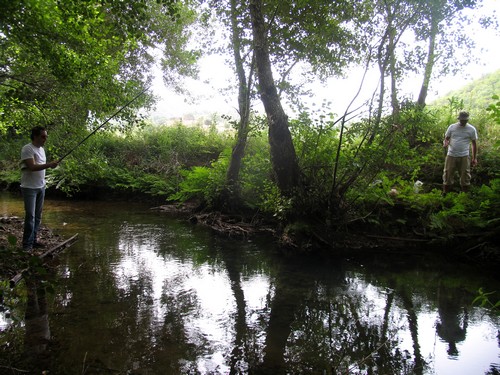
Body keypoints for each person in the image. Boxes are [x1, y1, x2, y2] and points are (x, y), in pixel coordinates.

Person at [20, 126, 59, 251]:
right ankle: (26, 245)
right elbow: (32, 166)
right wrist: (49, 165)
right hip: (29, 187)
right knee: (30, 217)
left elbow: (41, 166)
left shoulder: (42, 149)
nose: (45, 139)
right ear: (35, 136)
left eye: (46, 136)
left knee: (37, 216)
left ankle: (34, 241)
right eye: (43, 136)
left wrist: (49, 165)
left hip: (41, 187)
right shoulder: (27, 149)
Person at [442, 111, 478, 194]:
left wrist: (474, 158)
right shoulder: (452, 127)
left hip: (464, 156)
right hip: (451, 155)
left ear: (467, 120)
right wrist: (446, 143)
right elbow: (446, 138)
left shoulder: (471, 129)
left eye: (465, 120)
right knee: (448, 174)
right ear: (459, 119)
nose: (463, 121)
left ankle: (464, 196)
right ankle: (445, 194)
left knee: (465, 175)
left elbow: (474, 144)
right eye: (462, 120)